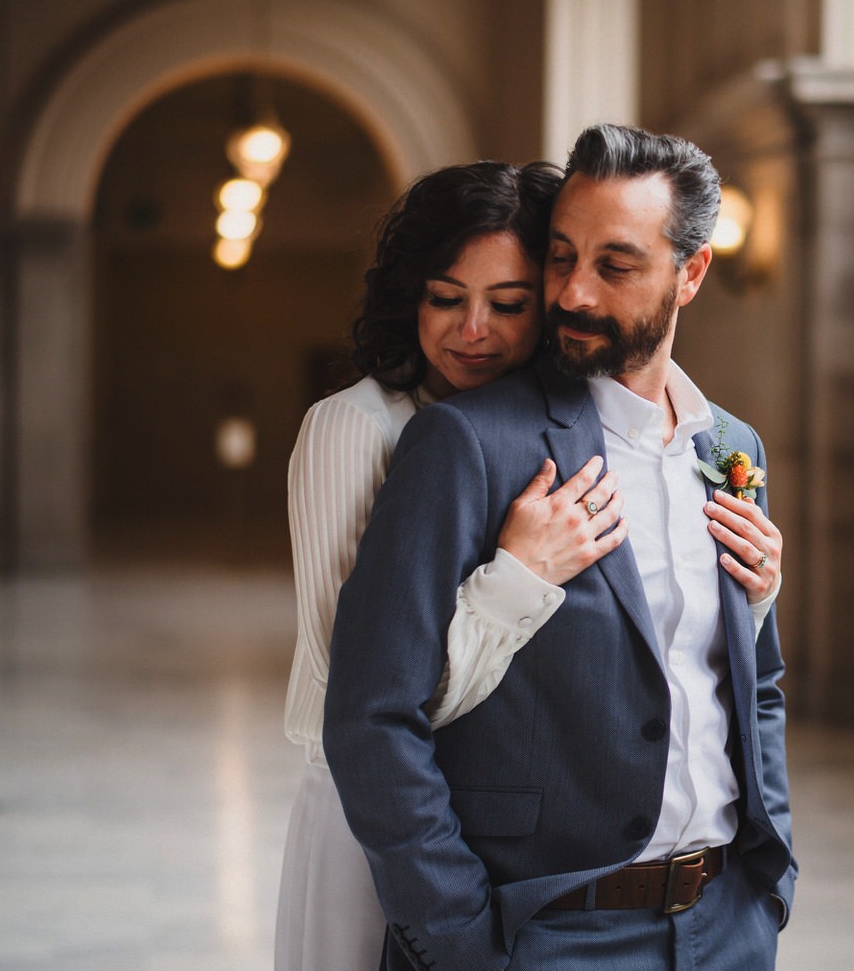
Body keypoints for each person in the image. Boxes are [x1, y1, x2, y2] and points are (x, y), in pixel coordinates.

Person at [324, 123, 795, 971]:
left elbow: (753, 681)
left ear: (690, 273)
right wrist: (460, 939)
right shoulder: (468, 442)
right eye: (561, 257)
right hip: (543, 936)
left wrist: (769, 879)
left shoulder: (732, 448)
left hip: (726, 926)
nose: (573, 293)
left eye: (614, 266)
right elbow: (371, 714)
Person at [275, 161, 634, 971]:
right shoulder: (353, 428)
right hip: (375, 812)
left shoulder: (555, 429)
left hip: (504, 818)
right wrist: (518, 576)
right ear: (411, 297)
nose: (473, 329)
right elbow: (363, 704)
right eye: (446, 297)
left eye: (508, 305)